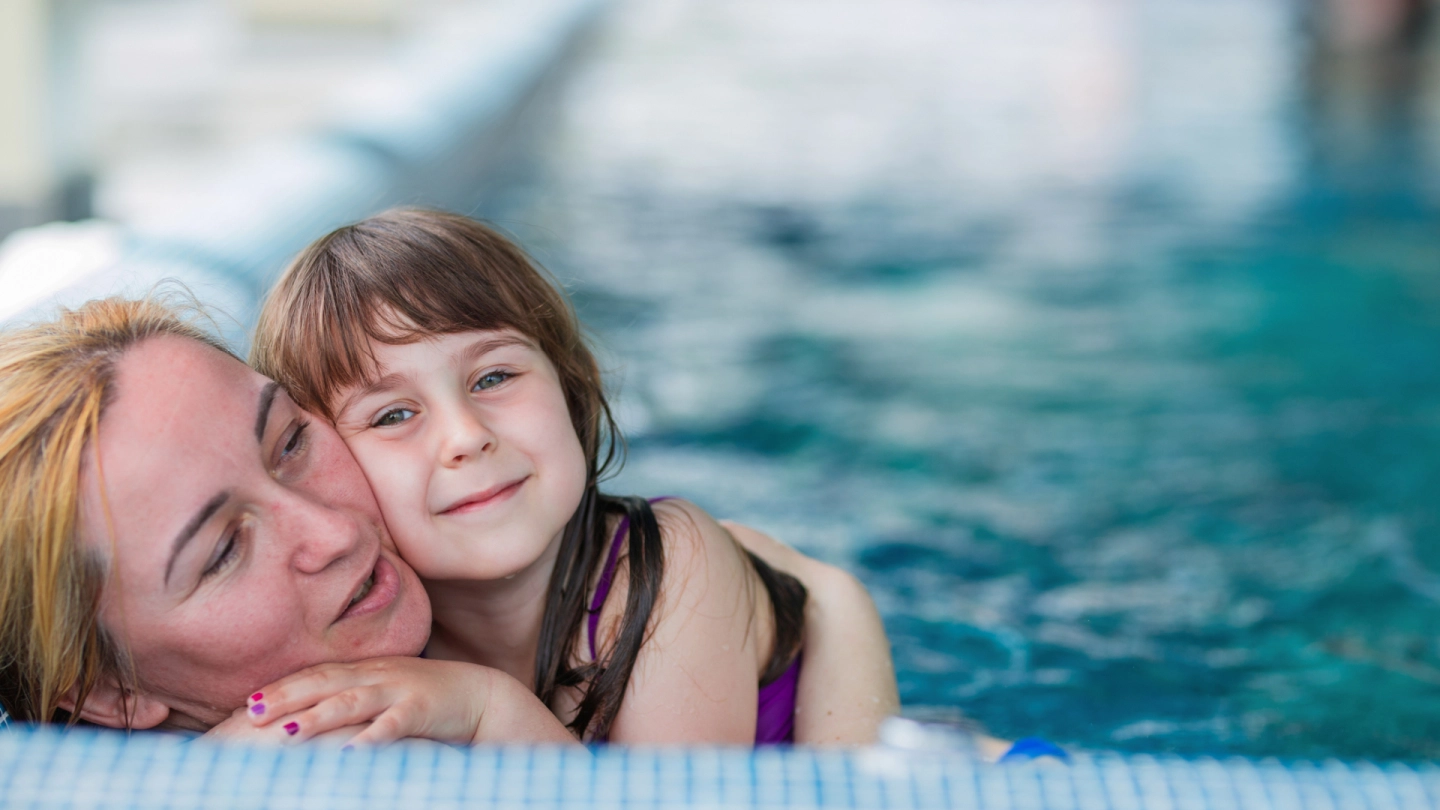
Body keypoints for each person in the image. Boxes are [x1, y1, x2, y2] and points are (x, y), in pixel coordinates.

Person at [0, 294, 897, 745]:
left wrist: (835, 609)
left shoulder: (467, 584)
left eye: (290, 443)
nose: (335, 532)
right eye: (225, 550)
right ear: (111, 695)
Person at [242, 209, 898, 746]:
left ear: (570, 382)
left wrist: (486, 710)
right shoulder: (372, 630)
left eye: (493, 377)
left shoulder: (664, 565)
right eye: (392, 415)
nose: (466, 436)